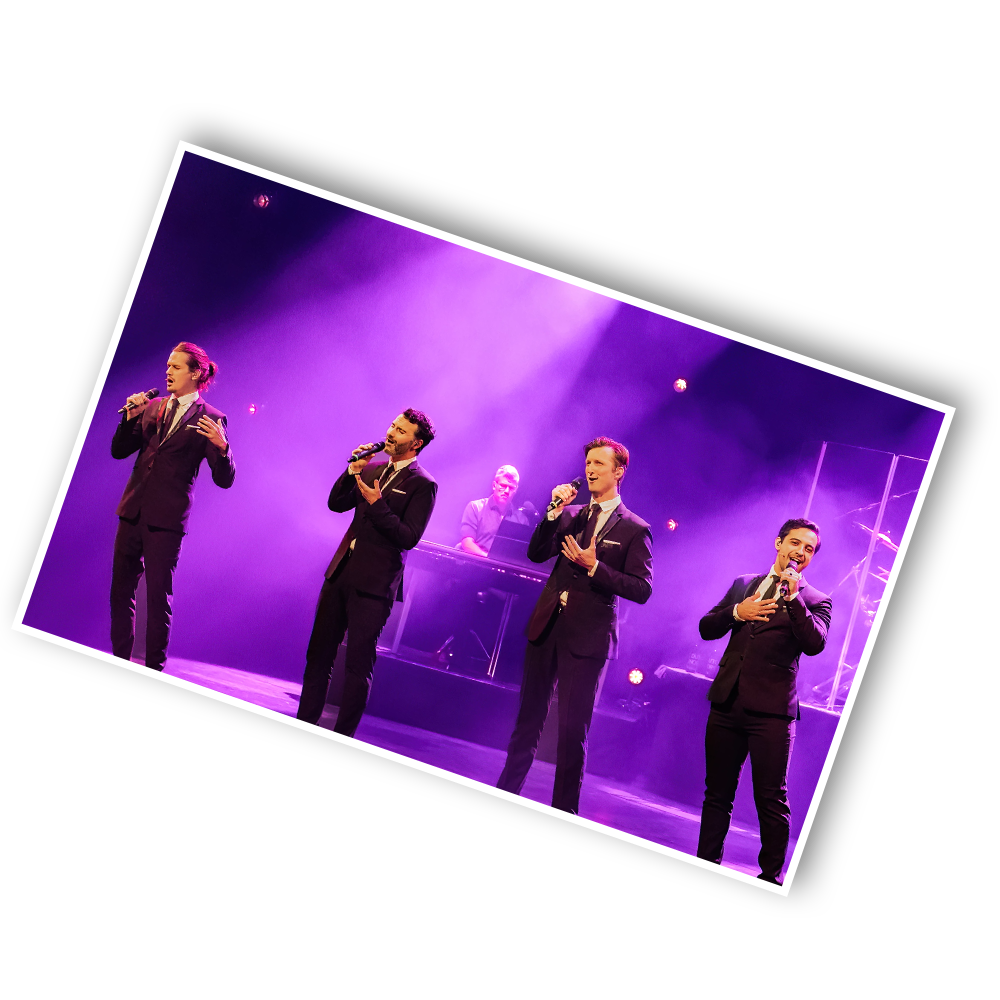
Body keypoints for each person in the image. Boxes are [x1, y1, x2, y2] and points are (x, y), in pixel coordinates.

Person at [496, 437, 653, 814]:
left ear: (619, 471)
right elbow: (536, 553)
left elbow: (642, 588)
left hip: (588, 637)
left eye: (599, 463)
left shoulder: (635, 528)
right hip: (547, 625)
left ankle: (564, 812)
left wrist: (595, 567)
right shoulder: (571, 514)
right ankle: (505, 791)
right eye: (588, 463)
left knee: (571, 731)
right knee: (527, 720)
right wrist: (552, 512)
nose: (590, 469)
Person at [696, 517, 833, 885]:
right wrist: (737, 612)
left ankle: (770, 878)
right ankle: (706, 861)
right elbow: (706, 627)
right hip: (727, 702)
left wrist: (793, 598)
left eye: (809, 549)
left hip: (772, 713)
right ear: (779, 543)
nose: (801, 552)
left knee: (771, 799)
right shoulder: (745, 584)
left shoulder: (816, 600)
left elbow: (815, 644)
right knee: (717, 794)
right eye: (795, 543)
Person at [296, 409, 437, 737]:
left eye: (400, 431)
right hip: (341, 572)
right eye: (392, 425)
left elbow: (408, 537)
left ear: (415, 443)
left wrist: (377, 505)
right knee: (318, 655)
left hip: (375, 584)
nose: (391, 433)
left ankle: (344, 736)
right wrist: (352, 471)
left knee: (357, 666)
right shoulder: (373, 468)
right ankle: (304, 723)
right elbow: (336, 503)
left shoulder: (423, 484)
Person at [110, 342, 236, 670]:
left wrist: (223, 448)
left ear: (196, 374)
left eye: (176, 367)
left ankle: (154, 668)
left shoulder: (211, 417)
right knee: (120, 593)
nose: (167, 371)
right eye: (167, 365)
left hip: (166, 520)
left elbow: (224, 480)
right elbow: (119, 451)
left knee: (157, 599)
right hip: (132, 510)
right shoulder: (152, 407)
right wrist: (129, 419)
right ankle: (120, 659)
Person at [458, 465, 529, 557]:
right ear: (494, 485)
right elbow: (467, 543)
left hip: (504, 565)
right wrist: (489, 559)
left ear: (516, 490)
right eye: (503, 486)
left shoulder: (522, 519)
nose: (507, 491)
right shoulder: (475, 507)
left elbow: (520, 553)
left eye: (511, 488)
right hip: (476, 562)